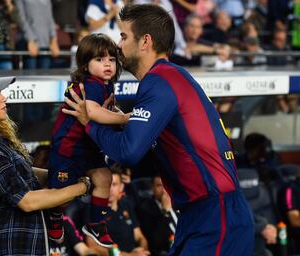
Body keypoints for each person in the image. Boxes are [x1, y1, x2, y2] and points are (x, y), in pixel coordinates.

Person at [63, 4, 254, 255]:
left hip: (215, 214)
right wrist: (120, 120)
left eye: (123, 36)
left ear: (145, 42)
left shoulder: (159, 81)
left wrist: (90, 123)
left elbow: (128, 152)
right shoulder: (171, 77)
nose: (118, 46)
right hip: (206, 213)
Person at [0, 66, 92, 255]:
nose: (3, 97)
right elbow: (27, 201)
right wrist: (83, 186)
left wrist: (70, 172)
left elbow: (29, 175)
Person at [48, 33, 129, 248]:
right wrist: (123, 118)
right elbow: (93, 112)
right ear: (85, 64)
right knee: (62, 195)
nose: (108, 64)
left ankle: (96, 223)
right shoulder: (90, 84)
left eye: (111, 59)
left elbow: (107, 110)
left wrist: (121, 115)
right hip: (68, 148)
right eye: (100, 59)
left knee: (104, 177)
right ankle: (54, 216)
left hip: (88, 146)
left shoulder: (106, 84)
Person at [136, 176, 178, 256]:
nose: (163, 190)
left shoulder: (178, 202)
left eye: (166, 185)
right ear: (152, 188)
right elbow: (156, 242)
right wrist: (165, 212)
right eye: (159, 185)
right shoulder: (144, 209)